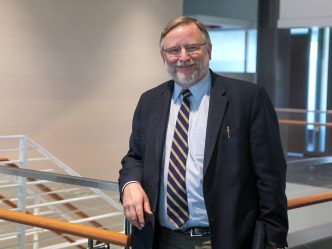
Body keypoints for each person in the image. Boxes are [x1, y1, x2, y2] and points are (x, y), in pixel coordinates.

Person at [118, 16, 288, 249]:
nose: (183, 57)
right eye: (174, 50)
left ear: (209, 49)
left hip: (224, 239)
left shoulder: (248, 99)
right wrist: (131, 184)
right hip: (159, 239)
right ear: (163, 56)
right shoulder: (149, 102)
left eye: (192, 47)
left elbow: (270, 178)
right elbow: (134, 157)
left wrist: (274, 241)